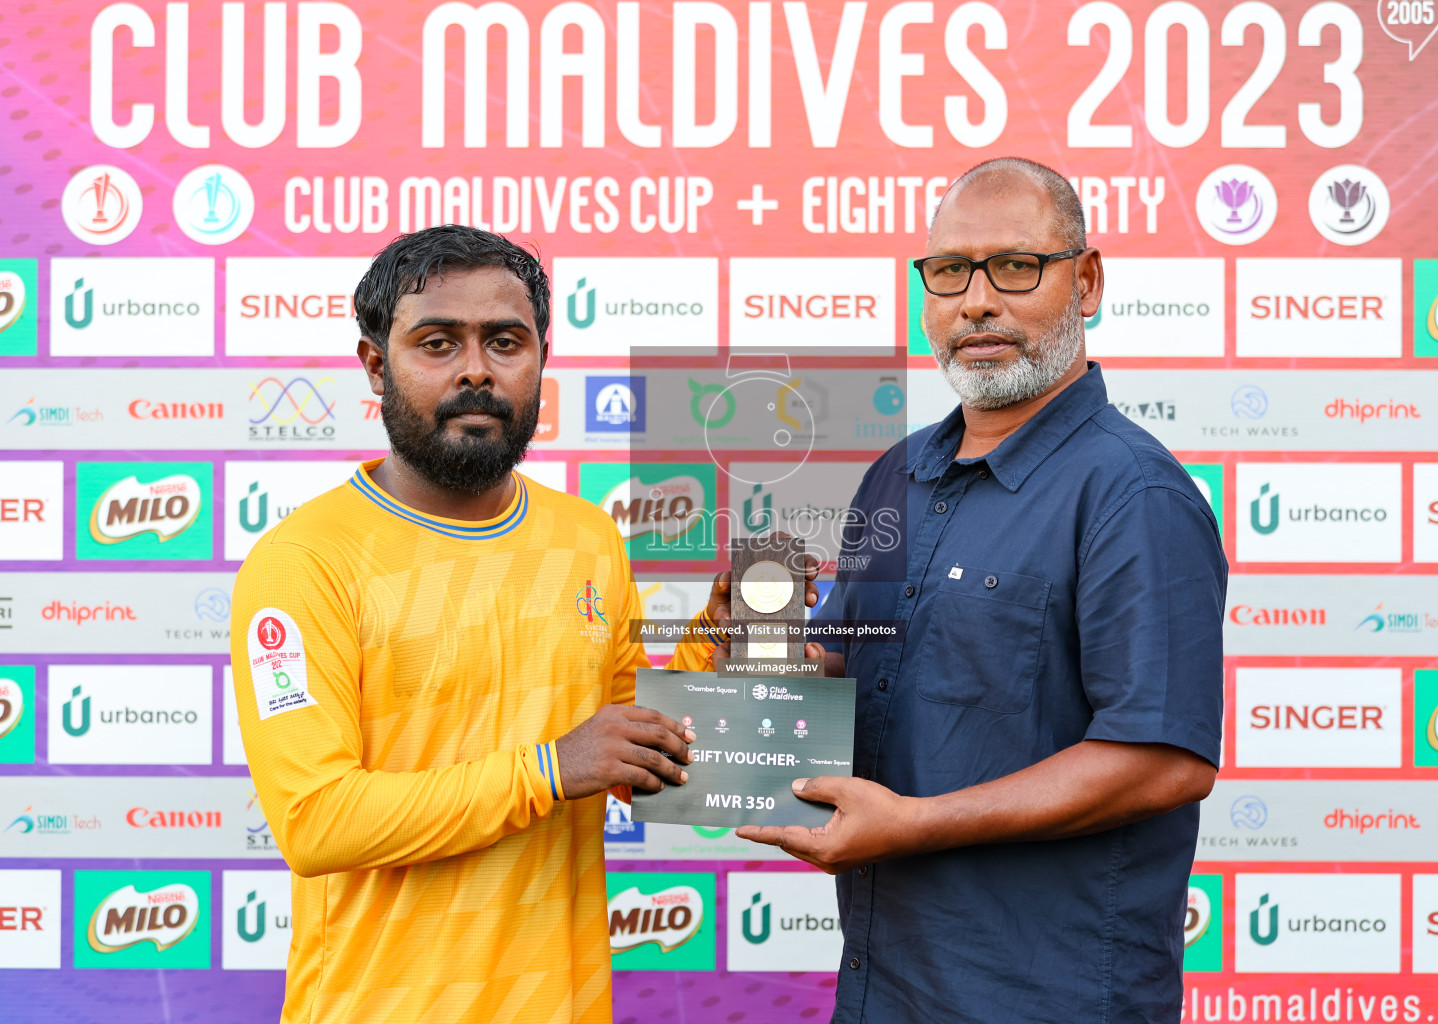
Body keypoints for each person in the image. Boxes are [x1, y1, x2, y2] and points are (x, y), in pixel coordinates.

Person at [228, 225, 814, 1024]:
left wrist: (724, 652)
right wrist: (544, 770)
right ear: (375, 365)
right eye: (437, 342)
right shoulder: (302, 563)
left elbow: (630, 753)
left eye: (504, 341)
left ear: (541, 357)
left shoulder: (586, 538)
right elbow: (315, 821)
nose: (476, 369)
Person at [737, 157, 1227, 1023]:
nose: (976, 302)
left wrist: (916, 823)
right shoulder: (897, 473)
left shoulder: (1132, 493)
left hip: (1048, 993)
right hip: (885, 982)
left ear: (1087, 281)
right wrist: (754, 650)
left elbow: (1163, 760)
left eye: (1015, 266)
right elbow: (842, 679)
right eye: (950, 271)